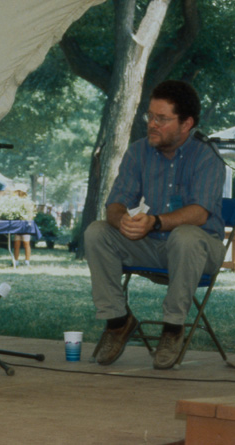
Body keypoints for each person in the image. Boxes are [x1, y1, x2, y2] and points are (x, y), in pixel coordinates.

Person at [85, 80, 225, 370]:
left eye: (162, 119)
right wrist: (122, 220)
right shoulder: (138, 152)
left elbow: (199, 214)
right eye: (150, 116)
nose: (152, 124)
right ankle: (118, 322)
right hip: (155, 246)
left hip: (201, 250)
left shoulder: (207, 155)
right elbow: (115, 202)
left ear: (187, 123)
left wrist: (155, 222)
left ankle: (173, 329)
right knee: (97, 231)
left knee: (185, 236)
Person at [12, 190, 32, 267]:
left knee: (26, 243)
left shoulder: (28, 202)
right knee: (17, 243)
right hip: (18, 224)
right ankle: (16, 260)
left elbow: (30, 213)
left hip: (25, 224)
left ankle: (27, 261)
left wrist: (29, 221)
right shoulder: (15, 202)